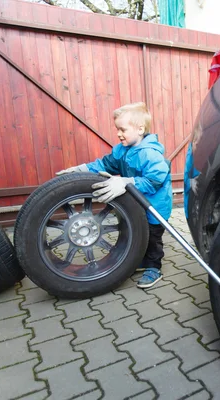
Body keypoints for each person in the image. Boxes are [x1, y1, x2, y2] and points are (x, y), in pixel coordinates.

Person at [56, 102, 172, 289]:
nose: (118, 134)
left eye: (123, 129)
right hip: (135, 205)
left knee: (152, 237)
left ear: (140, 129)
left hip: (154, 206)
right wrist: (81, 169)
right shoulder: (122, 150)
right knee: (136, 234)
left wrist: (129, 182)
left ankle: (153, 267)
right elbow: (105, 165)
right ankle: (141, 261)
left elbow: (154, 181)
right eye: (117, 129)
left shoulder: (150, 154)